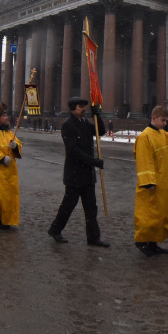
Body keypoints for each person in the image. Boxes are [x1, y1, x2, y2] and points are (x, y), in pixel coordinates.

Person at [47, 97, 108, 247]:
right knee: (68, 206)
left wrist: (98, 116)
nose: (84, 109)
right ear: (73, 108)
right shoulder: (68, 125)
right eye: (81, 106)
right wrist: (93, 161)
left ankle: (93, 238)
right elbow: (73, 151)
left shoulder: (85, 123)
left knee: (91, 208)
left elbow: (101, 132)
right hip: (74, 174)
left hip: (87, 174)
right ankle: (55, 229)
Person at [133, 105, 168, 257]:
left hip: (163, 181)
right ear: (154, 118)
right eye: (163, 120)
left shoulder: (162, 134)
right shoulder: (145, 136)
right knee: (148, 214)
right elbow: (143, 160)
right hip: (152, 184)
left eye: (166, 120)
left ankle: (153, 243)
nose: (166, 123)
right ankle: (142, 241)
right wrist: (148, 181)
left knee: (158, 215)